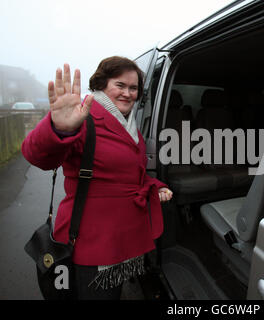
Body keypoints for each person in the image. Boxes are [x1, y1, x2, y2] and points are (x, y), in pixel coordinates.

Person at [22, 56, 173, 300]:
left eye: (133, 88)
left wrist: (155, 187)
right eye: (120, 85)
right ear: (102, 84)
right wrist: (58, 128)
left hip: (127, 242)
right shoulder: (84, 116)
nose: (127, 93)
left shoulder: (131, 124)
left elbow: (134, 175)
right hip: (94, 245)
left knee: (116, 294)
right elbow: (36, 155)